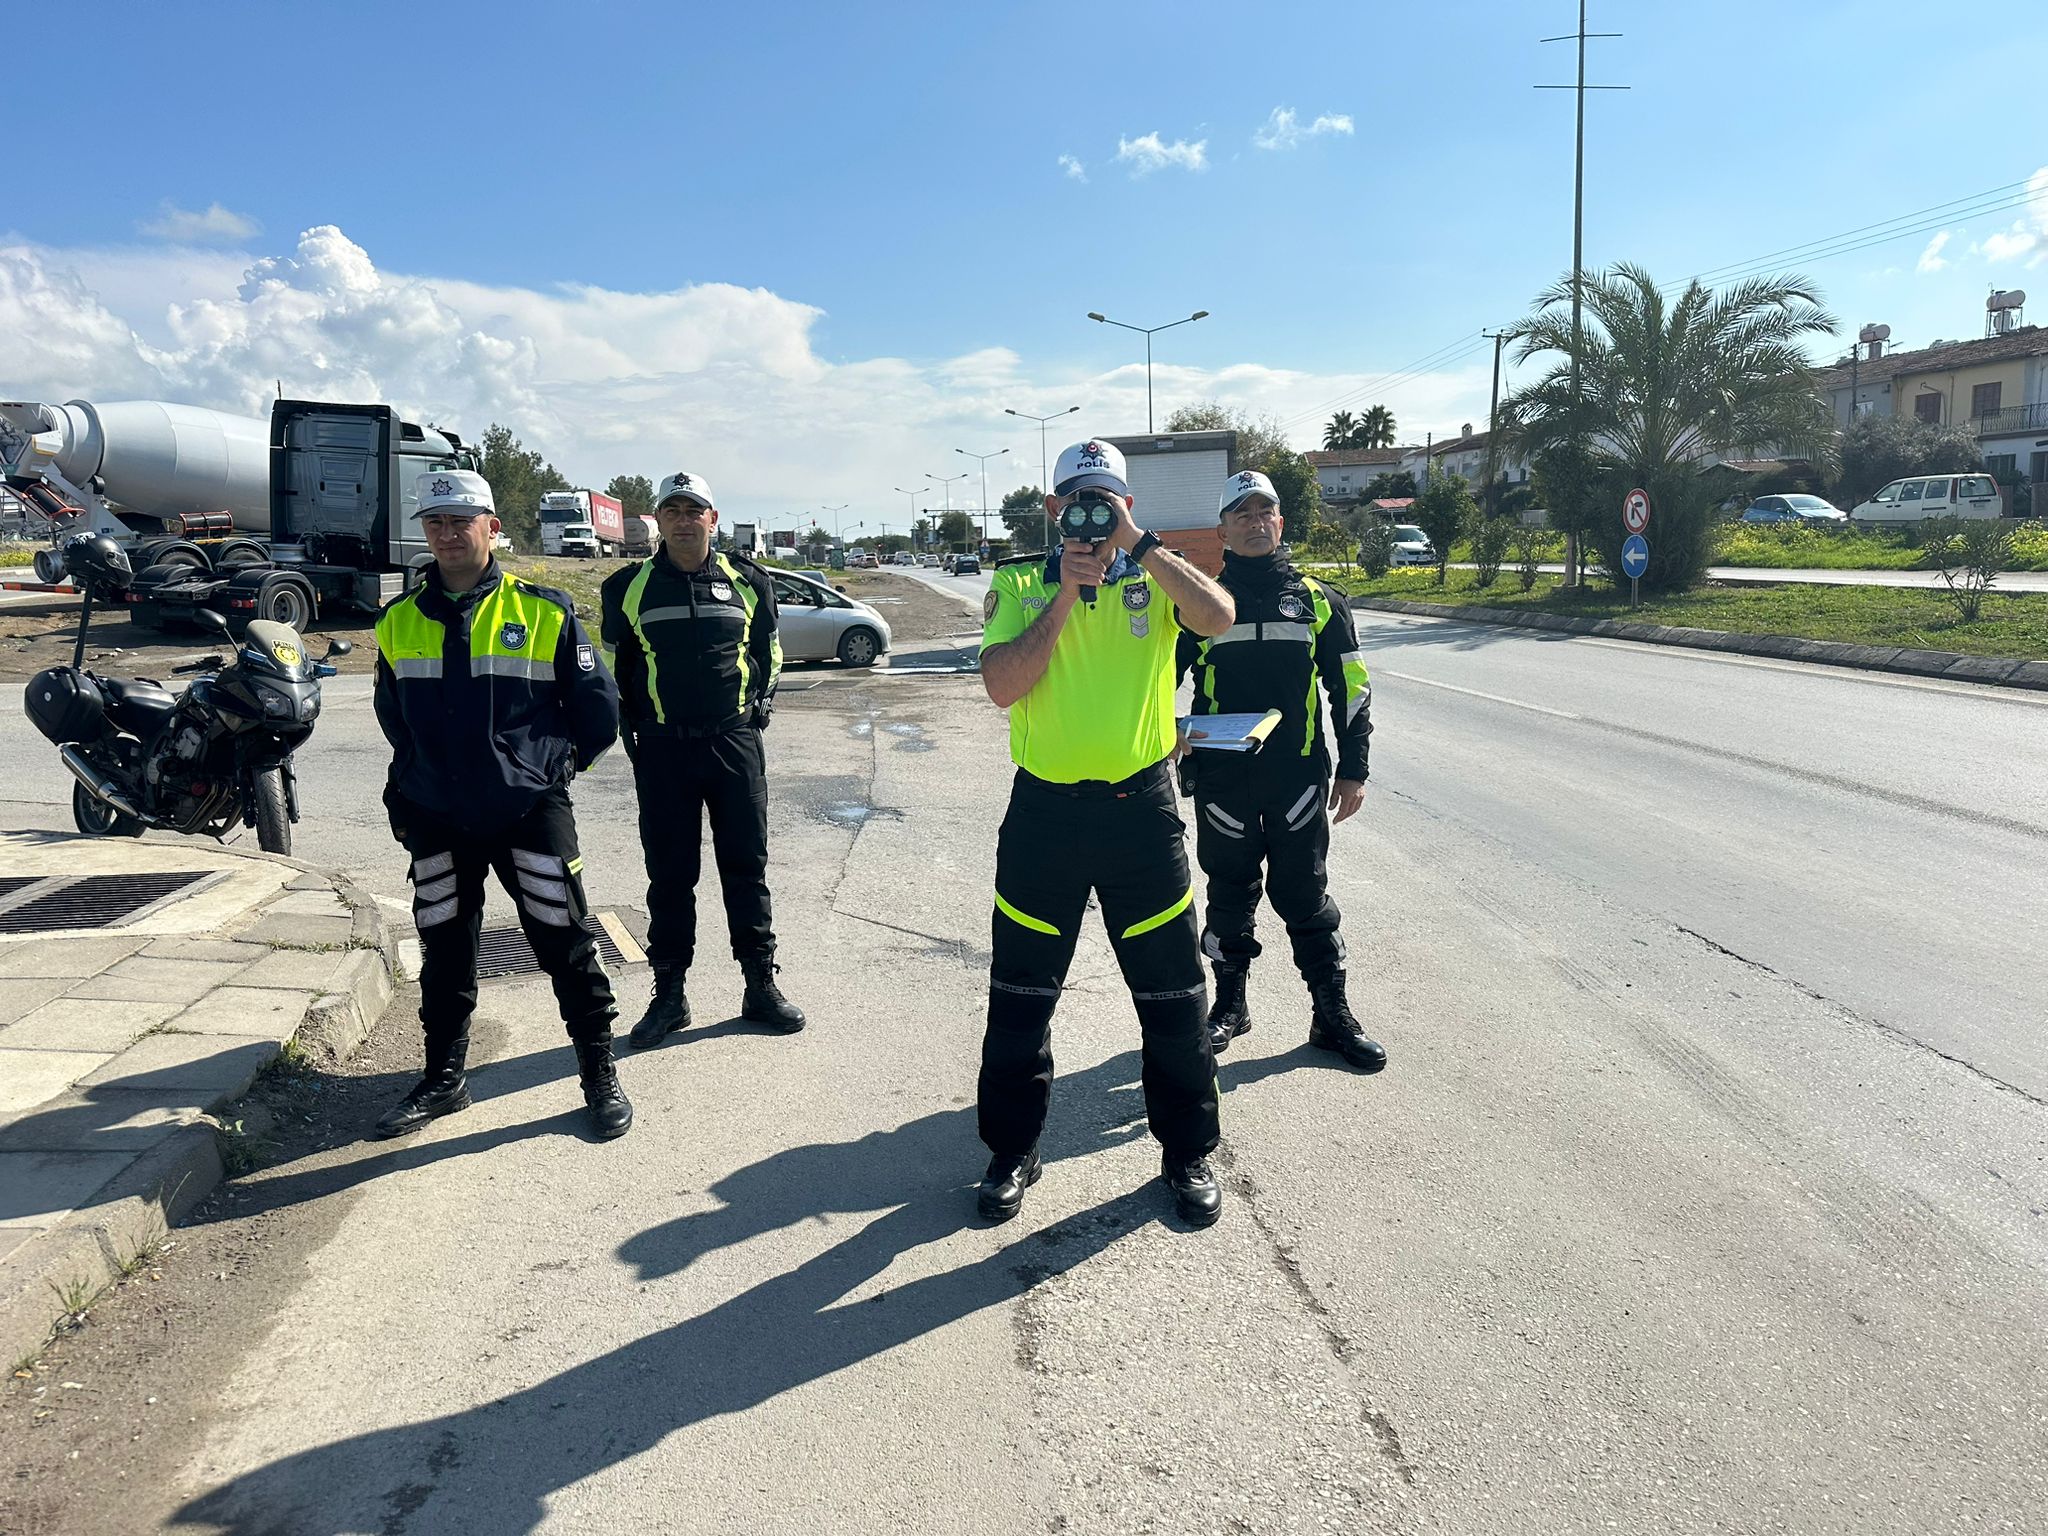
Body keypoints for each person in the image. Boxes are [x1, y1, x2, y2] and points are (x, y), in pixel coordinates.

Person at [974, 438, 1237, 1227]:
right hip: (1044, 817)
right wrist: (1063, 595)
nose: (1092, 513)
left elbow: (1218, 617)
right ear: (1054, 508)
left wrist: (1139, 545)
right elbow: (1002, 685)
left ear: (1126, 504)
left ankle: (1187, 1152)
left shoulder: (1156, 575)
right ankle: (1012, 1150)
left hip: (1140, 816)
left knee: (1174, 997)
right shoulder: (1020, 580)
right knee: (1020, 998)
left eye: (1107, 500)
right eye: (1079, 500)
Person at [371, 469, 633, 1140]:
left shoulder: (544, 611)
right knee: (444, 948)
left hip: (528, 814)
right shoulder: (398, 620)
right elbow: (394, 718)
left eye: (461, 521)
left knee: (564, 941)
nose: (447, 534)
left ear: (491, 527)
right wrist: (414, 781)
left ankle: (598, 1073)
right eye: (435, 522)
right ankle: (443, 1079)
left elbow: (599, 713)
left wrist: (551, 772)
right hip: (437, 815)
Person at [1177, 469, 1384, 1072]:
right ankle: (1230, 1006)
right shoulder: (1201, 601)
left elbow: (1351, 689)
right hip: (1223, 781)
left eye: (1264, 512)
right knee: (1229, 894)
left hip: (1297, 778)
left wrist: (1354, 768)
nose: (1255, 523)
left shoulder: (1319, 599)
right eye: (1241, 514)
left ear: (1281, 522)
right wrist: (1168, 733)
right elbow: (1156, 681)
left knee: (1305, 896)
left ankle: (1330, 1015)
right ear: (1222, 531)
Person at [600, 470, 805, 1046]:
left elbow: (769, 651)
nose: (684, 521)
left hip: (733, 744)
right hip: (663, 749)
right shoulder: (628, 587)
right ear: (659, 521)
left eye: (695, 511)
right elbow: (620, 665)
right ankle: (670, 995)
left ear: (712, 520)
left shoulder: (748, 580)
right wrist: (632, 727)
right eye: (673, 511)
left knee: (746, 869)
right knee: (670, 876)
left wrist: (758, 707)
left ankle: (759, 985)